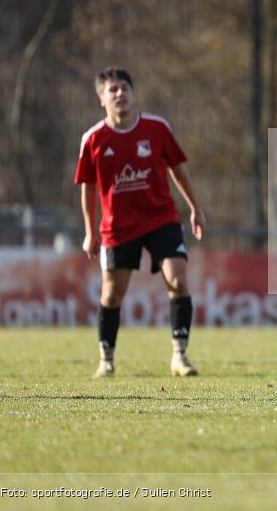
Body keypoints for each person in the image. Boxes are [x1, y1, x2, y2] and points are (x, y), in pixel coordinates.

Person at [75, 68, 207, 378]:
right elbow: (88, 187)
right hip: (118, 227)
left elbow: (178, 169)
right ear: (101, 99)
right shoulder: (93, 139)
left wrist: (195, 208)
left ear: (133, 94)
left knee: (178, 280)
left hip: (161, 218)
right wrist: (89, 231)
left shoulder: (156, 128)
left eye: (124, 88)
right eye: (113, 90)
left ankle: (179, 356)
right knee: (112, 294)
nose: (120, 93)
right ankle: (106, 360)